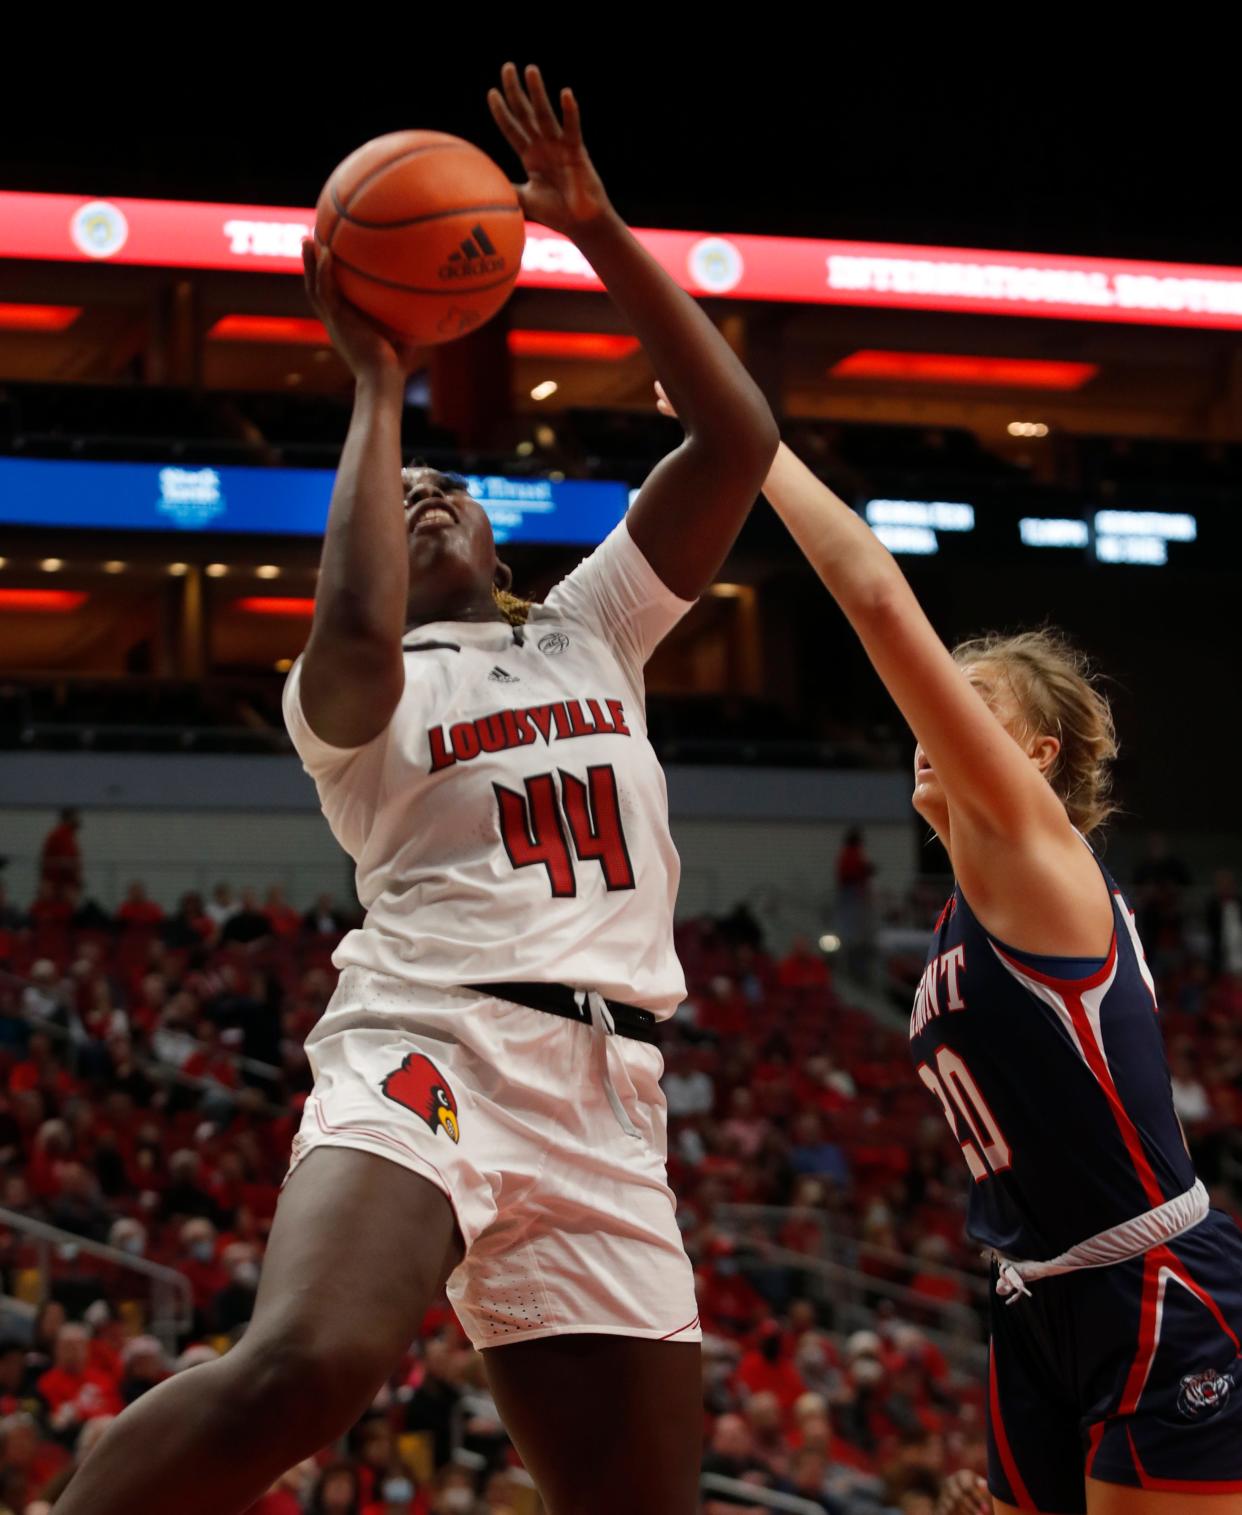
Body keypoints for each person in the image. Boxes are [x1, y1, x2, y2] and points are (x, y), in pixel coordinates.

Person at [53, 63, 777, 1515]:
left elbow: (735, 438)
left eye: (449, 485)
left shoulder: (591, 626)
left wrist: (596, 227)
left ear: (502, 537)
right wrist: (378, 378)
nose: (426, 493)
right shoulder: (351, 693)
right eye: (397, 498)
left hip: (610, 1096)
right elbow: (362, 624)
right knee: (307, 1366)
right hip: (430, 1041)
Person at [716, 406, 1242, 1510]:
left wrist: (746, 440)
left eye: (973, 704)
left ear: (1036, 754)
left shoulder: (1043, 860)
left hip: (1151, 1282)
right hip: (1030, 1297)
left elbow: (869, 591)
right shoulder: (967, 911)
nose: (933, 719)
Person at [40, 809, 82, 895]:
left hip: (59, 883)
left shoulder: (65, 835)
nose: (79, 820)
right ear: (69, 818)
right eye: (76, 817)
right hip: (60, 884)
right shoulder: (61, 836)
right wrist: (74, 879)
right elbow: (65, 861)